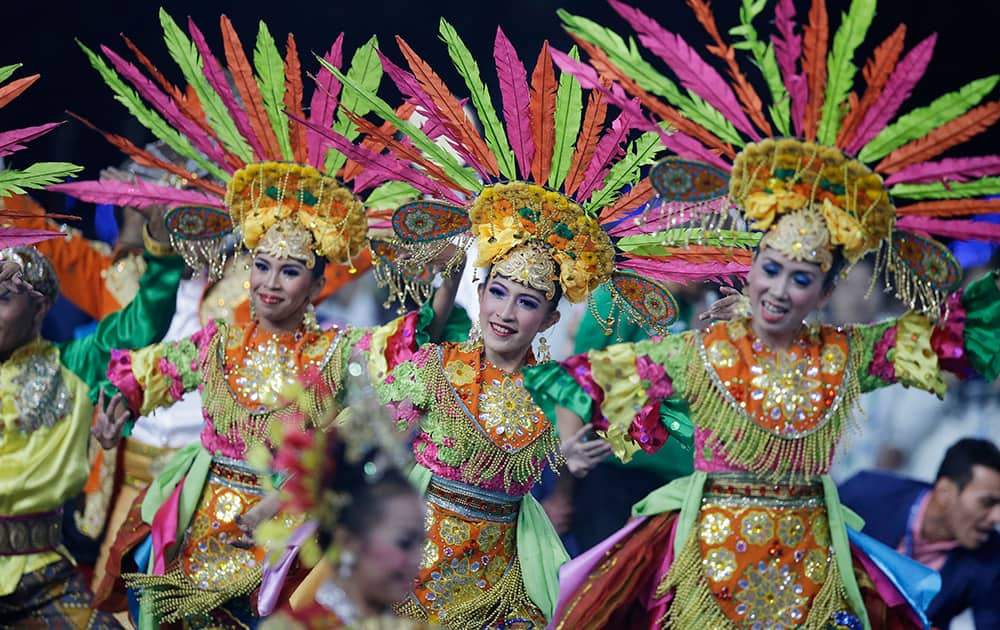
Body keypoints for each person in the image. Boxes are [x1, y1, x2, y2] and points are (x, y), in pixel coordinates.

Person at [526, 1, 1000, 627]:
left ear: (824, 292)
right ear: (750, 268)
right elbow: (578, 380)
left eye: (801, 278)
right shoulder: (700, 350)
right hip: (710, 569)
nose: (778, 290)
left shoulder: (848, 353)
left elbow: (957, 336)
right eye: (770, 270)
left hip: (805, 574)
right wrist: (564, 456)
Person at [324, 21, 756, 628]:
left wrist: (579, 462)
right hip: (411, 587)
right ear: (481, 288)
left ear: (550, 316)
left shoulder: (558, 388)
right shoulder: (432, 370)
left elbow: (630, 419)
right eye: (498, 292)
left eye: (526, 302)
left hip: (498, 596)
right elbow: (353, 442)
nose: (505, 312)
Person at [79, 15, 430, 627]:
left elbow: (403, 379)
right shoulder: (217, 342)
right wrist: (113, 415)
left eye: (289, 271)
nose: (269, 283)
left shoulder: (338, 353)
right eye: (262, 266)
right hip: (198, 540)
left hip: (283, 555)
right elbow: (144, 373)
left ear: (318, 283)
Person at [0, 63, 183, 629]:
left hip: (41, 574)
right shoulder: (101, 270)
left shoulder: (68, 366)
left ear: (39, 307)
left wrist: (159, 246)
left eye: (4, 296)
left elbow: (140, 326)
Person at [839, 439, 1000, 629]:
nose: (997, 517)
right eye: (987, 503)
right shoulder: (866, 494)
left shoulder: (992, 557)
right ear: (944, 492)